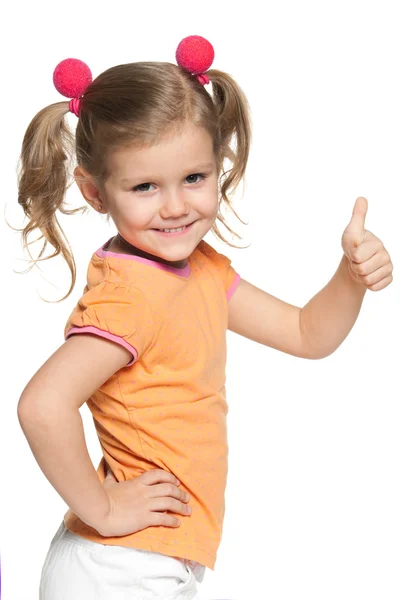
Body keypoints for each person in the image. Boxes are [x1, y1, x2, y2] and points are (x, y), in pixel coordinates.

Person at [16, 35, 393, 600]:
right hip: (117, 567)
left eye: (194, 178)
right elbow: (42, 405)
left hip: (156, 557)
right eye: (144, 187)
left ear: (219, 167)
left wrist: (350, 277)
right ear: (95, 192)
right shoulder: (132, 297)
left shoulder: (202, 271)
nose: (175, 206)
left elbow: (306, 333)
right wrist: (101, 508)